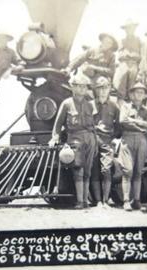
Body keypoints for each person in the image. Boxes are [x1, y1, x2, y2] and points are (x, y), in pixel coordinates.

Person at [49, 73, 97, 209]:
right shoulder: (66, 103)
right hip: (75, 139)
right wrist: (55, 137)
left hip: (90, 139)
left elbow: (93, 125)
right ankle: (80, 201)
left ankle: (86, 201)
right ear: (72, 87)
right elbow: (58, 125)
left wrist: (95, 141)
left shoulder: (89, 105)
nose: (82, 89)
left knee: (88, 170)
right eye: (78, 86)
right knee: (78, 169)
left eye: (84, 87)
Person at [118, 82, 147, 211]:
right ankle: (126, 200)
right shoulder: (126, 107)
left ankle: (136, 200)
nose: (139, 94)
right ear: (131, 94)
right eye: (136, 92)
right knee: (128, 170)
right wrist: (140, 125)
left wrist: (133, 121)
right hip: (127, 138)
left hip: (141, 141)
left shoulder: (146, 111)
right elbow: (123, 121)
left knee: (138, 171)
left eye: (142, 92)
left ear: (144, 96)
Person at [91, 77, 120, 208]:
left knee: (106, 170)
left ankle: (106, 200)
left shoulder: (114, 106)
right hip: (92, 140)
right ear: (96, 90)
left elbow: (119, 125)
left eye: (105, 88)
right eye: (99, 88)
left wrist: (114, 137)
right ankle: (97, 201)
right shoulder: (89, 105)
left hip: (107, 140)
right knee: (94, 171)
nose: (102, 91)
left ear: (109, 89)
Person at [113, 19, 142, 100]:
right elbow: (118, 54)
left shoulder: (138, 40)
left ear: (134, 29)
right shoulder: (121, 41)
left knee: (132, 87)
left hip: (134, 64)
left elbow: (142, 54)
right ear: (125, 30)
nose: (129, 30)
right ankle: (120, 102)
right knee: (120, 83)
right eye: (127, 28)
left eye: (131, 28)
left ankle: (130, 104)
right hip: (124, 63)